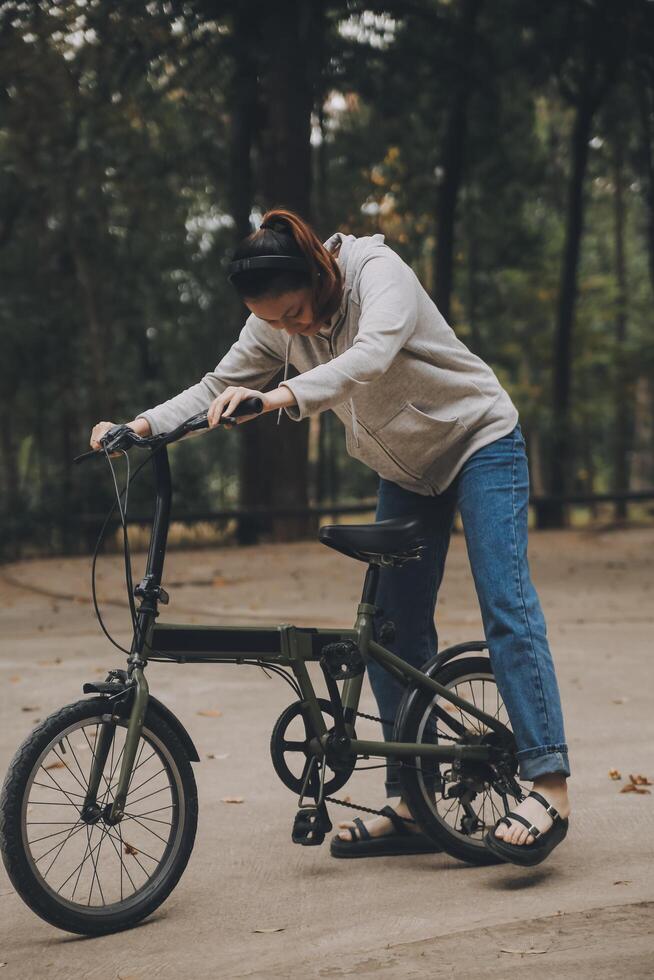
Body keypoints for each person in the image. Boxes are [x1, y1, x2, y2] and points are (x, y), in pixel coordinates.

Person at [90, 207, 571, 867]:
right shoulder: (272, 324)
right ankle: (412, 802)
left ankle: (547, 783)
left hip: (478, 441)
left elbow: (371, 357)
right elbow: (215, 385)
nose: (293, 329)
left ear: (318, 274)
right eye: (275, 322)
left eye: (295, 313)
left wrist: (281, 397)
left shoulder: (378, 271)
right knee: (390, 635)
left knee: (505, 604)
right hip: (404, 470)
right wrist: (138, 427)